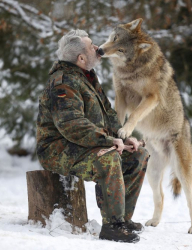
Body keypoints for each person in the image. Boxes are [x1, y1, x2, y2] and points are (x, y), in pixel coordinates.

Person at [36, 30, 149, 243]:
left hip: (84, 144)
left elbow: (108, 113)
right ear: (80, 58)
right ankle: (112, 226)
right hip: (57, 149)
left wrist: (124, 137)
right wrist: (107, 141)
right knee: (108, 158)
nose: (98, 48)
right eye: (91, 47)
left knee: (139, 155)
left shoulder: (87, 76)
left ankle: (123, 219)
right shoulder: (63, 82)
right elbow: (71, 125)